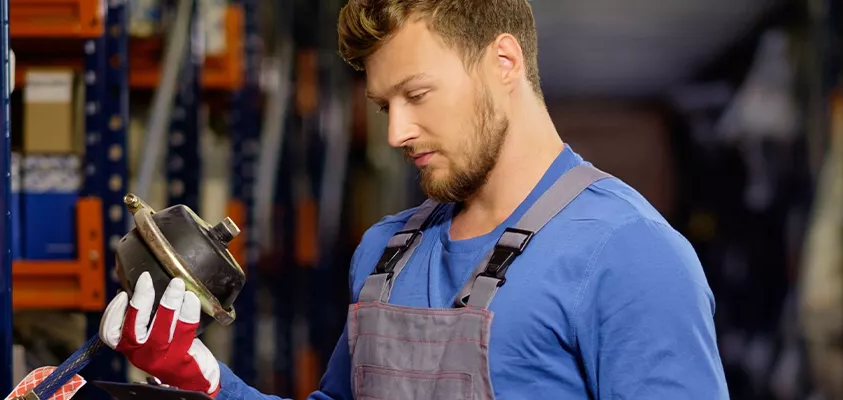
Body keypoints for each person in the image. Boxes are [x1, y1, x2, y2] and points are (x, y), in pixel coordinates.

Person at [98, 0, 728, 398]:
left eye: (417, 95)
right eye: (383, 106)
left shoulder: (627, 254)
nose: (396, 132)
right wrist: (200, 377)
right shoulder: (387, 251)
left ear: (502, 61)